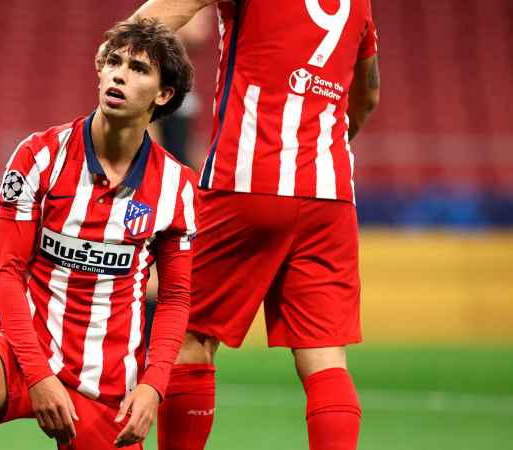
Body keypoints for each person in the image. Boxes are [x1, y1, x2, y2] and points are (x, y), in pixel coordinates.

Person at [0, 18, 198, 450]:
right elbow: (6, 273)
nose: (120, 74)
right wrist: (39, 375)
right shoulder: (39, 156)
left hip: (104, 383)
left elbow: (175, 297)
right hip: (20, 355)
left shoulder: (177, 187)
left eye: (139, 69)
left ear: (163, 95)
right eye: (113, 62)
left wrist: (153, 385)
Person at [118, 1, 382, 450]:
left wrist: (118, 52)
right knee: (325, 359)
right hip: (330, 191)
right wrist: (319, 147)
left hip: (245, 179)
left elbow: (165, 12)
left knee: (188, 336)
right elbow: (368, 94)